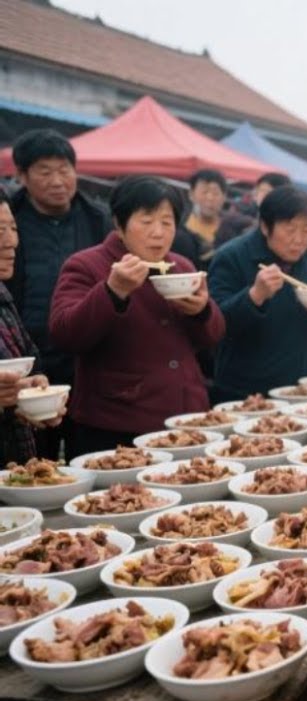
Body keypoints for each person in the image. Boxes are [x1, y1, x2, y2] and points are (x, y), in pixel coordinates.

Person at [48, 176, 225, 456]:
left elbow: (213, 335)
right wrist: (112, 291)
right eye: (146, 221)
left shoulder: (182, 266)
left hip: (185, 419)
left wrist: (202, 311)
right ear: (119, 224)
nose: (158, 232)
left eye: (167, 223)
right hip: (116, 424)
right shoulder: (87, 265)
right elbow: (65, 333)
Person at [7, 129, 112, 458]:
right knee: (36, 452)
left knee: (86, 449)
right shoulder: (10, 220)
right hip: (27, 361)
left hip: (86, 356)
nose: (57, 180)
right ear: (21, 175)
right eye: (44, 171)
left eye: (65, 169)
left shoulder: (98, 220)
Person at [209, 186, 307, 400]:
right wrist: (254, 296)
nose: (299, 239)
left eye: (306, 230)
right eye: (290, 230)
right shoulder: (231, 257)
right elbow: (215, 326)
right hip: (252, 392)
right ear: (264, 226)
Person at [0, 189, 62, 462]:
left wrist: (35, 392)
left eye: (12, 228)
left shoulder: (3, 295)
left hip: (15, 466)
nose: (11, 241)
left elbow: (30, 364)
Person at [214, 172, 291, 248]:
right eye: (263, 190)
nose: (266, 196)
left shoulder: (289, 230)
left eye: (271, 193)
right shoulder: (234, 222)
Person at [176, 168, 228, 270]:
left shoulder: (232, 230)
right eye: (204, 192)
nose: (210, 198)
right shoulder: (179, 228)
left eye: (215, 193)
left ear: (224, 197)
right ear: (191, 194)